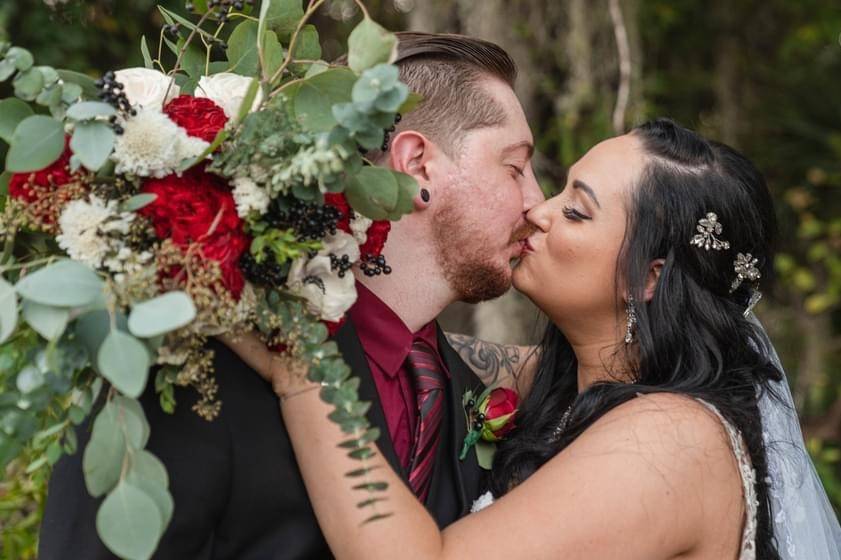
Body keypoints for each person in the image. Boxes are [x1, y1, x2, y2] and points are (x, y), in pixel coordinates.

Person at [226, 119, 841, 559]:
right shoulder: (569, 383)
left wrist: (305, 371)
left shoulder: (675, 441)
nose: (538, 210)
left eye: (577, 211)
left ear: (649, 278)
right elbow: (409, 347)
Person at [38, 33, 544, 559]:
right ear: (416, 163)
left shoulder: (458, 388)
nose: (536, 202)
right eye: (515, 167)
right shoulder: (200, 354)